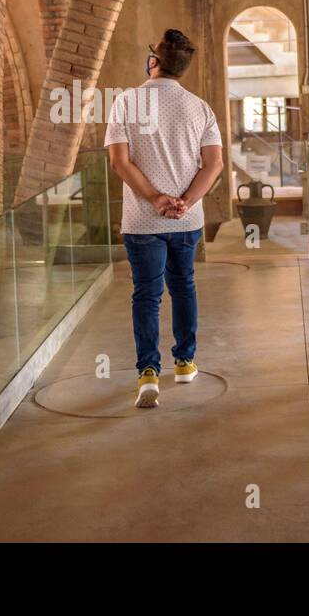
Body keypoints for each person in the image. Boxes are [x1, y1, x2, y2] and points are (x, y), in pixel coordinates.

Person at [104, 29, 223, 408]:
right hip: (186, 221)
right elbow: (214, 164)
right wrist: (184, 202)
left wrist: (156, 199)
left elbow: (119, 161)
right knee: (184, 286)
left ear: (153, 62)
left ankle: (148, 374)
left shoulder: (125, 102)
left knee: (147, 294)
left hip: (142, 221)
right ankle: (185, 363)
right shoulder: (200, 107)